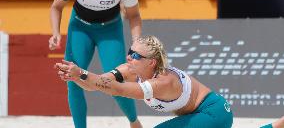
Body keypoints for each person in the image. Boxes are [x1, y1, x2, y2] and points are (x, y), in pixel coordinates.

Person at [48, 0, 142, 127]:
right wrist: (55, 32)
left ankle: (134, 121)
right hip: (80, 27)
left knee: (116, 81)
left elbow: (134, 16)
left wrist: (136, 45)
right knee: (72, 80)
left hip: (110, 29)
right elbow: (56, 7)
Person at [54, 35, 233, 128]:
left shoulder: (163, 81)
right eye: (130, 51)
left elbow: (119, 90)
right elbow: (97, 84)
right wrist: (75, 77)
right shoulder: (129, 69)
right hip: (195, 116)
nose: (129, 57)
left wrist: (82, 72)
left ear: (151, 62)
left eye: (135, 55)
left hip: (214, 113)